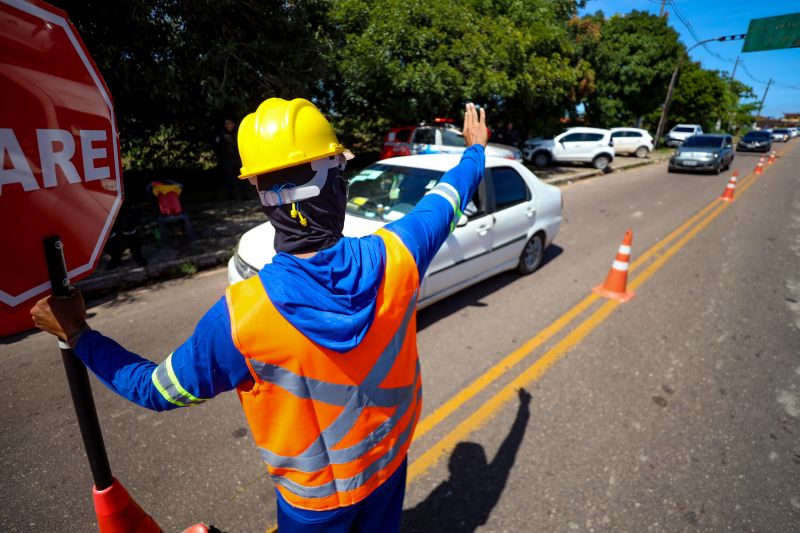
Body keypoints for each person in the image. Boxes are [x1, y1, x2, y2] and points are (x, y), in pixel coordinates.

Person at [30, 99, 488, 532]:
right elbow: (445, 199)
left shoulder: (242, 317)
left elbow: (154, 390)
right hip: (389, 467)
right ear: (338, 185)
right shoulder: (400, 254)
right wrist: (474, 150)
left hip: (315, 508)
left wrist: (78, 332)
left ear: (262, 196)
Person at [214, 117, 247, 201]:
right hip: (227, 161)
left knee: (241, 178)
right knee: (230, 180)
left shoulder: (236, 134)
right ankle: (233, 197)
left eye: (229, 123)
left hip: (237, 160)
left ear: (233, 124)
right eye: (226, 123)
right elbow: (218, 148)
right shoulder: (221, 135)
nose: (227, 125)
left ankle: (244, 196)